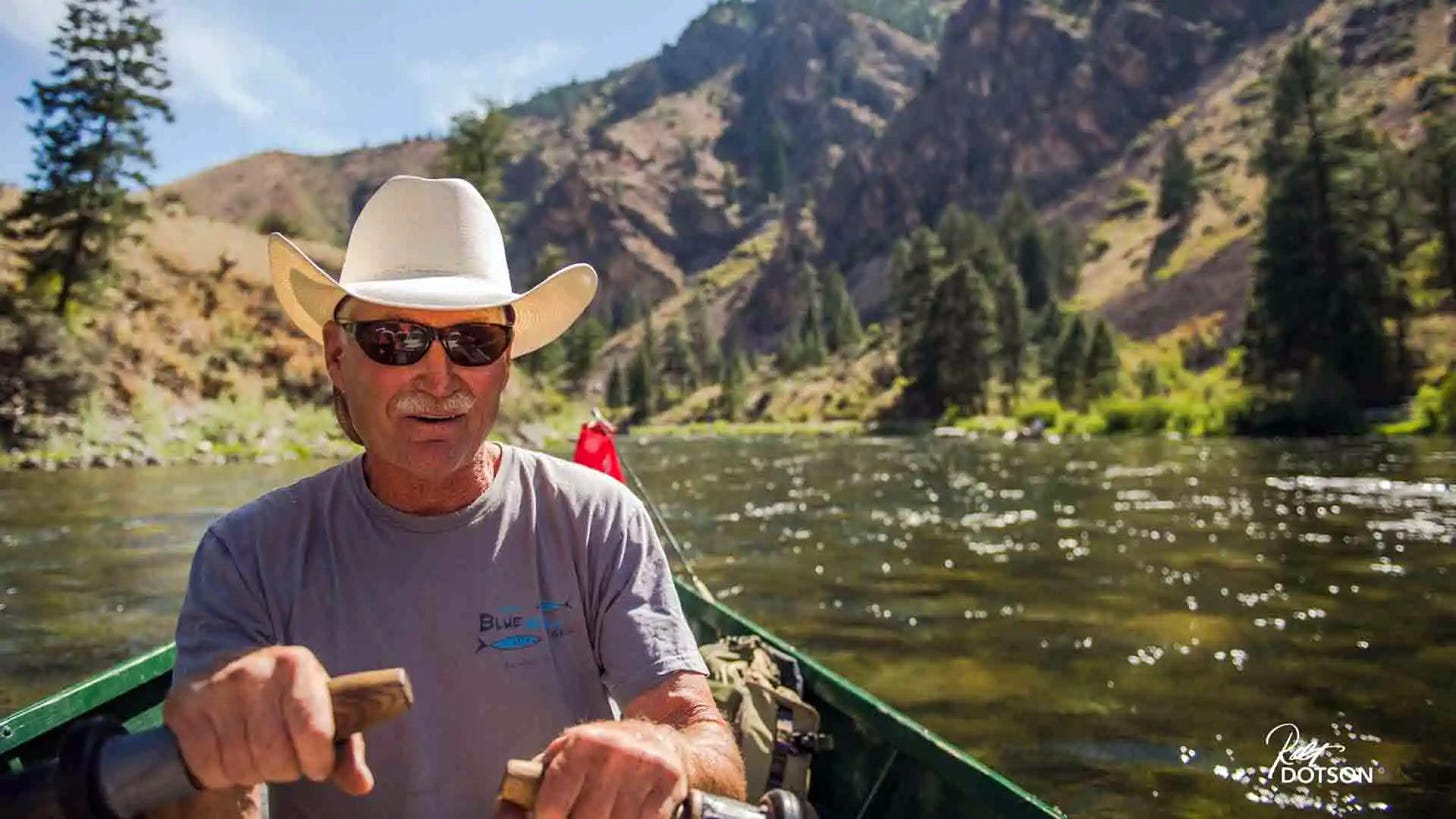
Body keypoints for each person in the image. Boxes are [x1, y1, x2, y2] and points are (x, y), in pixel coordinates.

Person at [156, 176, 745, 819]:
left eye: (473, 340)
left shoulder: (599, 519)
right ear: (336, 355)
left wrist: (669, 754)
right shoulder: (245, 555)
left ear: (506, 361)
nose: (438, 377)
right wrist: (211, 766)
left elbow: (707, 750)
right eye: (395, 340)